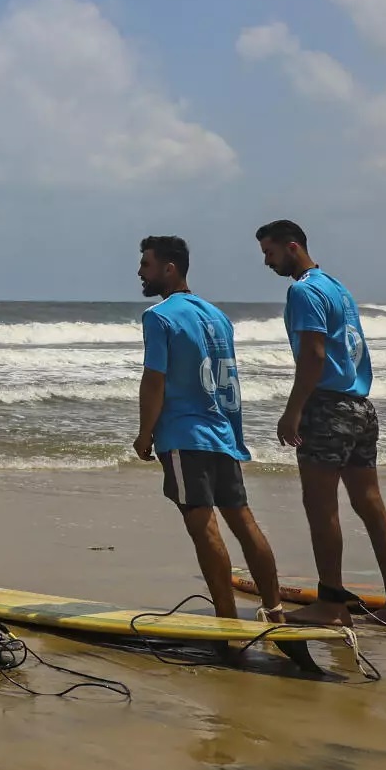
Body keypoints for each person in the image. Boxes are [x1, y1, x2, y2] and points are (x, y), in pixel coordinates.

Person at [256, 219, 386, 631]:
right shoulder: (335, 287)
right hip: (360, 406)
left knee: (321, 505)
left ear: (292, 247)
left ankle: (331, 603)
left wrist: (293, 410)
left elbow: (313, 354)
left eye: (269, 253)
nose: (266, 262)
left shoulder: (304, 290)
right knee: (370, 504)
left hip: (327, 408)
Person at [132, 235, 284, 628]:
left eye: (146, 265)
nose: (140, 272)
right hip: (223, 433)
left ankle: (228, 624)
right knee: (244, 522)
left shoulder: (160, 315)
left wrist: (145, 432)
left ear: (170, 268)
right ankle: (275, 609)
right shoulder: (217, 316)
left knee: (203, 527)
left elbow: (154, 380)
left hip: (186, 434)